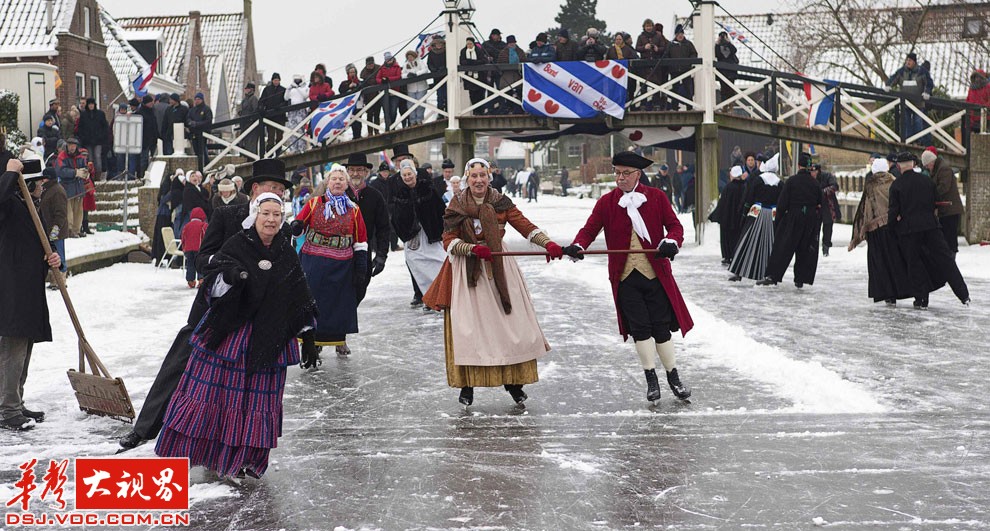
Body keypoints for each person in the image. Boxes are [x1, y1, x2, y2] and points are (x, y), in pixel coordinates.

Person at [119, 158, 292, 451]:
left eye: (278, 188)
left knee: (240, 389)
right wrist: (225, 269)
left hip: (251, 321)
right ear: (254, 189)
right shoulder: (226, 215)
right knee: (178, 366)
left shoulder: (279, 225)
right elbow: (202, 257)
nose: (273, 192)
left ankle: (228, 447)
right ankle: (144, 429)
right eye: (269, 186)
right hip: (213, 310)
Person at [155, 191, 316, 479]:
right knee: (216, 396)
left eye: (276, 215)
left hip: (271, 337)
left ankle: (244, 459)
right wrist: (229, 278)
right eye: (265, 213)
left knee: (257, 402)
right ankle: (206, 455)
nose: (270, 219)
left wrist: (309, 337)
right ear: (255, 216)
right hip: (231, 333)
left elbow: (298, 296)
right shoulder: (238, 244)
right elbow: (212, 282)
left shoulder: (285, 251)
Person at [423, 158, 563, 406]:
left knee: (508, 327)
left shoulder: (501, 202)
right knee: (470, 330)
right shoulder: (457, 204)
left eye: (483, 175)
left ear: (489, 177)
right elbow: (448, 241)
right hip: (467, 269)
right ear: (467, 178)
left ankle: (513, 382)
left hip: (499, 264)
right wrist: (471, 249)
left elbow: (525, 226)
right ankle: (467, 386)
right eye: (474, 176)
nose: (478, 180)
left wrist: (548, 244)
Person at [563, 151, 693, 403]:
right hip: (625, 278)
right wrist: (579, 245)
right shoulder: (607, 202)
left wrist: (671, 241)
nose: (620, 178)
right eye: (617, 173)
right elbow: (590, 229)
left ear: (638, 174)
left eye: (625, 173)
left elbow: (675, 226)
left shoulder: (656, 197)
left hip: (655, 274)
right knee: (640, 329)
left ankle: (673, 376)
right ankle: (651, 379)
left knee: (661, 328)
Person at [1, 158, 62, 431]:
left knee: (25, 345)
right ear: (30, 183)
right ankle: (7, 409)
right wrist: (10, 174)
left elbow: (40, 241)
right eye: (40, 183)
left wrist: (52, 257)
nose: (43, 187)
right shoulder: (11, 204)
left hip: (29, 287)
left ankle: (16, 402)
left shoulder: (31, 206)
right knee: (13, 346)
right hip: (13, 287)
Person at [290, 164, 368, 359]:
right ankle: (311, 341)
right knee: (312, 301)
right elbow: (300, 226)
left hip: (341, 263)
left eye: (342, 179)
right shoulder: (315, 203)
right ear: (327, 182)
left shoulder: (354, 210)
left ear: (347, 184)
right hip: (313, 260)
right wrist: (296, 225)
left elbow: (360, 240)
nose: (338, 182)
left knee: (338, 304)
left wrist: (361, 267)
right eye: (334, 179)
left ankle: (338, 340)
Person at [887, 152, 969, 308]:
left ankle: (921, 298)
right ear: (914, 164)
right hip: (931, 226)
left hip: (909, 230)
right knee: (946, 260)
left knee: (915, 263)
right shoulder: (927, 181)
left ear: (898, 166)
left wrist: (892, 229)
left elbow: (893, 211)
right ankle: (963, 294)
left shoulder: (897, 185)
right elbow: (935, 202)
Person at [848, 158, 916, 305]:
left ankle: (887, 294)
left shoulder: (871, 185)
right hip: (894, 226)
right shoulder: (895, 181)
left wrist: (857, 235)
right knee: (895, 260)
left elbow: (863, 209)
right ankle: (901, 290)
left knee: (880, 263)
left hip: (876, 230)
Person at [758, 153, 823, 287]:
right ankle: (800, 278)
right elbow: (820, 204)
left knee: (783, 247)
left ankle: (773, 276)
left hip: (793, 216)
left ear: (798, 165)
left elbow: (782, 204)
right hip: (810, 218)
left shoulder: (792, 181)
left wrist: (778, 222)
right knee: (804, 249)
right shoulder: (815, 184)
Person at [392, 159, 446, 306]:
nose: (408, 177)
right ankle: (429, 297)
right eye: (404, 175)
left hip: (431, 233)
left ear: (415, 174)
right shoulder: (400, 193)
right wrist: (405, 233)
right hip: (413, 236)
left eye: (409, 174)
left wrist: (442, 227)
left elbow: (440, 209)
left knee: (440, 262)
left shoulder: (427, 188)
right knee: (416, 264)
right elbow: (396, 218)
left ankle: (443, 293)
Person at [728, 153, 782, 282]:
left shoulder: (758, 179)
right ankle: (766, 273)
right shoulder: (780, 183)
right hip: (772, 215)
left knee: (746, 241)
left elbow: (749, 196)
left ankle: (739, 271)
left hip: (756, 212)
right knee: (769, 244)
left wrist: (744, 211)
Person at [343, 154, 390, 302]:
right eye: (352, 170)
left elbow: (383, 227)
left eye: (359, 170)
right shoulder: (339, 194)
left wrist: (382, 254)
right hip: (340, 251)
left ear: (366, 172)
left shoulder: (375, 196)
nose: (355, 173)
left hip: (364, 250)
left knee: (359, 290)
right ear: (347, 172)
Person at [920, 149, 963, 255]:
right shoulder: (938, 169)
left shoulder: (943, 169)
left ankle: (951, 261)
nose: (926, 167)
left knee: (950, 239)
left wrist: (930, 197)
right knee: (946, 238)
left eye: (927, 165)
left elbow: (943, 188)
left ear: (931, 162)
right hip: (945, 210)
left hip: (950, 210)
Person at [885, 53, 934, 144]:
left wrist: (927, 92)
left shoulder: (922, 71)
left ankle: (919, 143)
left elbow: (929, 83)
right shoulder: (901, 71)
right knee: (906, 123)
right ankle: (908, 142)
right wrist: (888, 85)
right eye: (907, 60)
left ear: (914, 62)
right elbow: (893, 78)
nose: (908, 62)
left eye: (910, 60)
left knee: (918, 123)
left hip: (918, 104)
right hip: (905, 104)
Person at [37, 168, 68, 288]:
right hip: (48, 229)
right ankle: (54, 279)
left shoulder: (57, 191)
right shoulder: (48, 189)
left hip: (56, 231)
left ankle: (60, 280)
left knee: (59, 255)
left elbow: (61, 214)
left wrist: (55, 231)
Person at [711, 165, 747, 265]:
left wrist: (716, 215)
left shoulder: (728, 188)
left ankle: (727, 256)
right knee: (738, 237)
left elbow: (723, 204)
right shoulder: (745, 187)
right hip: (740, 219)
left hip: (727, 219)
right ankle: (738, 255)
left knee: (727, 238)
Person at [55, 138, 89, 237]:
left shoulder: (80, 156)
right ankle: (69, 230)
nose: (72, 147)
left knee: (78, 210)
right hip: (67, 186)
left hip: (78, 186)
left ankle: (77, 229)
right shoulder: (62, 156)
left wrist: (85, 172)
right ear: (67, 146)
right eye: (70, 145)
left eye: (74, 145)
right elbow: (60, 171)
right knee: (68, 210)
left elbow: (85, 166)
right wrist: (75, 172)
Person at [663, 25, 698, 110]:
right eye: (678, 34)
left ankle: (689, 107)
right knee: (675, 89)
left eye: (681, 33)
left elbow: (694, 54)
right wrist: (670, 64)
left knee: (688, 89)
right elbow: (666, 55)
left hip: (686, 70)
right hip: (674, 70)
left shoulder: (688, 44)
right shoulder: (671, 45)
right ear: (675, 35)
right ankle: (675, 107)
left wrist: (689, 62)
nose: (680, 35)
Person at [812, 163, 840, 256]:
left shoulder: (827, 176)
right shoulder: (810, 178)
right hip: (816, 207)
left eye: (815, 171)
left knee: (828, 228)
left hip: (828, 206)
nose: (813, 173)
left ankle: (826, 248)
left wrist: (823, 192)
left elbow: (835, 186)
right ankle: (813, 247)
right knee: (815, 228)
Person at [77, 98, 109, 179]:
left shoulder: (100, 114)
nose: (91, 106)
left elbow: (105, 127)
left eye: (92, 104)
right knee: (90, 158)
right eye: (89, 104)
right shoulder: (84, 115)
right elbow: (80, 128)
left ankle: (98, 175)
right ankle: (91, 175)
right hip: (87, 141)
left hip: (98, 141)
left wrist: (102, 137)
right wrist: (83, 138)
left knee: (97, 157)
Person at [495, 35, 527, 115]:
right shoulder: (503, 52)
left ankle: (520, 109)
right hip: (507, 76)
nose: (511, 44)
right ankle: (508, 108)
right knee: (507, 93)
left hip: (518, 75)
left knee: (519, 92)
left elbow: (524, 61)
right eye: (510, 43)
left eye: (513, 42)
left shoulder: (520, 51)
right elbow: (500, 63)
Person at [259, 73, 289, 152]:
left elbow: (286, 101)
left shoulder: (283, 90)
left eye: (278, 80)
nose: (276, 82)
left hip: (280, 116)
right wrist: (262, 108)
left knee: (279, 136)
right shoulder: (267, 89)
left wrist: (280, 106)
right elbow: (262, 101)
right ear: (272, 80)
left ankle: (278, 151)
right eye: (275, 80)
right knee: (270, 136)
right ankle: (270, 152)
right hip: (270, 117)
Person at [460, 38, 490, 115]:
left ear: (473, 43)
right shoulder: (463, 51)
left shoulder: (479, 50)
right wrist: (469, 62)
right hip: (469, 77)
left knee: (480, 94)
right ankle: (475, 111)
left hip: (480, 77)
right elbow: (462, 61)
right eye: (467, 44)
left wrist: (473, 62)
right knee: (472, 95)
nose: (469, 45)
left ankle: (481, 111)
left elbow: (484, 60)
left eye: (470, 44)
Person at [180, 207, 208, 288]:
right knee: (200, 264)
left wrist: (184, 248)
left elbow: (183, 237)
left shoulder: (186, 226)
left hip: (188, 249)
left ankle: (190, 280)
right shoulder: (203, 225)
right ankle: (201, 279)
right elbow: (206, 236)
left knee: (190, 265)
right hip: (200, 249)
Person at [402, 50, 430, 125]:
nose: (410, 58)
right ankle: (412, 121)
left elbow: (425, 70)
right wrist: (407, 75)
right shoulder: (406, 65)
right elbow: (402, 74)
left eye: (411, 56)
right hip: (411, 88)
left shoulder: (420, 62)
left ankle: (419, 119)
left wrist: (417, 74)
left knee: (421, 104)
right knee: (411, 105)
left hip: (421, 87)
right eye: (408, 57)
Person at [186, 93, 213, 170]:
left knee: (203, 149)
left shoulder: (206, 109)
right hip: (194, 133)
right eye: (196, 99)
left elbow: (208, 121)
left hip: (203, 134)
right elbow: (188, 118)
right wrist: (190, 123)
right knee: (196, 150)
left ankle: (206, 165)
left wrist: (197, 124)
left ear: (202, 100)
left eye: (198, 99)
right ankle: (199, 166)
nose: (197, 101)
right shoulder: (192, 110)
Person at [337, 65, 365, 139]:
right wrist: (349, 87)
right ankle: (355, 136)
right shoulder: (344, 83)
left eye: (353, 72)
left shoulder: (359, 82)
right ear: (348, 73)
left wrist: (357, 85)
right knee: (353, 120)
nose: (352, 74)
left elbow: (364, 87)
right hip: (350, 105)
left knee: (358, 120)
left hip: (359, 104)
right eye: (351, 72)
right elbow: (341, 90)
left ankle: (358, 135)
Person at [136, 95, 159, 178]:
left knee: (153, 158)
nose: (152, 103)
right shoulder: (140, 112)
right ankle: (142, 175)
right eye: (150, 102)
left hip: (152, 139)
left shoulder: (152, 111)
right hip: (144, 139)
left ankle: (150, 174)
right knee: (143, 159)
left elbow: (154, 125)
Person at [715, 31, 739, 104]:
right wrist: (717, 43)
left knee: (731, 89)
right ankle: (724, 105)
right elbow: (717, 54)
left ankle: (731, 105)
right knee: (724, 90)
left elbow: (734, 50)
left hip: (731, 72)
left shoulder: (730, 46)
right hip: (722, 72)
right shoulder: (718, 47)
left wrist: (728, 42)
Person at [237, 83, 261, 155]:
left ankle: (251, 157)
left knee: (251, 142)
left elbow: (255, 110)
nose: (246, 90)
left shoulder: (253, 99)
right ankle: (245, 155)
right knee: (245, 141)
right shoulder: (244, 100)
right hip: (244, 124)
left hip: (251, 125)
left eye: (247, 89)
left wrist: (250, 118)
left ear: (251, 90)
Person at [427, 36, 447, 112]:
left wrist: (444, 68)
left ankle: (448, 110)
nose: (438, 45)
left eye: (440, 43)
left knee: (447, 94)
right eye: (436, 43)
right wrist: (434, 70)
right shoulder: (431, 53)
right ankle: (440, 112)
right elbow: (429, 64)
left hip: (446, 75)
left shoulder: (447, 51)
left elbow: (450, 61)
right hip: (437, 77)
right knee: (439, 95)